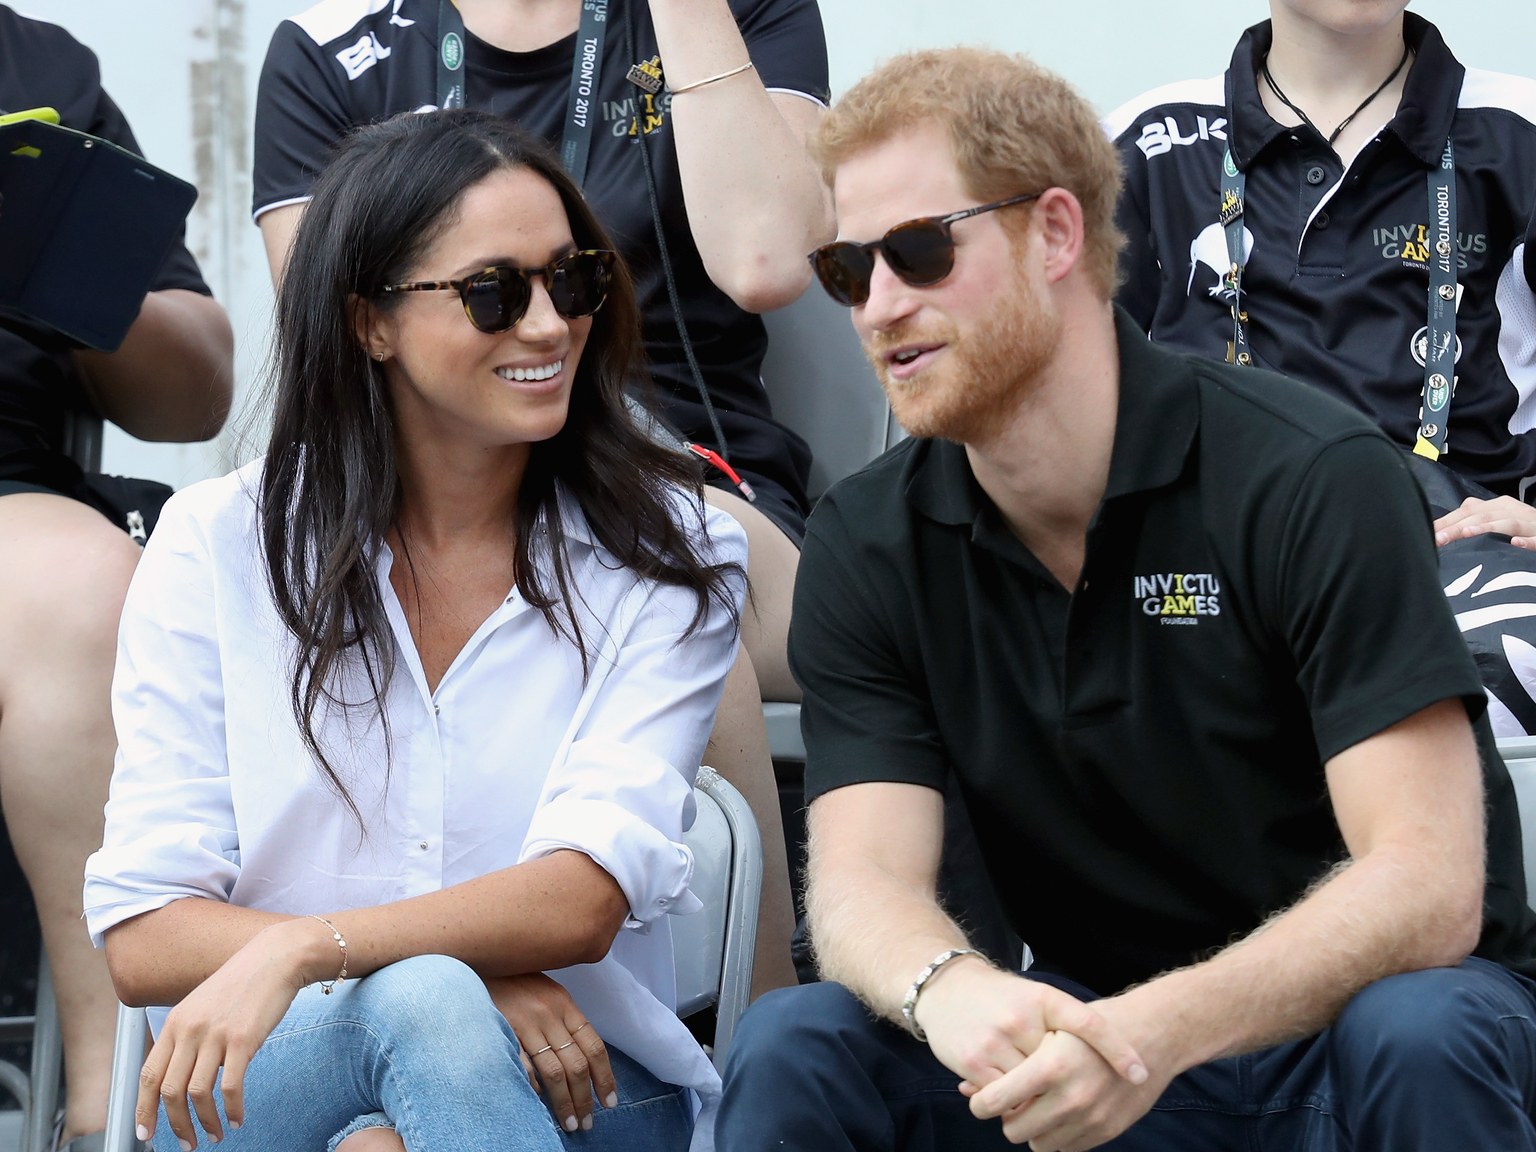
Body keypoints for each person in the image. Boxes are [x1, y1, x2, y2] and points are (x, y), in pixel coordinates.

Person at [715, 47, 1536, 1151]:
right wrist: (945, 987)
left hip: (1345, 1054)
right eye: (848, 271)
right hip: (1093, 1052)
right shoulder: (869, 541)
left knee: (1425, 1026)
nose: (880, 308)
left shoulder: (1312, 475)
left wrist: (1153, 1030)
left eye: (917, 253)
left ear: (1056, 233)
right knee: (800, 1041)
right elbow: (864, 877)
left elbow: (1428, 887)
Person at [83, 108, 745, 1152]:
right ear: (370, 323)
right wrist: (449, 980)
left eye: (571, 281)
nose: (546, 325)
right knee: (427, 1007)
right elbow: (144, 929)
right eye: (493, 293)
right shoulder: (215, 546)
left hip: (583, 1086)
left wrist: (324, 952)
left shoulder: (672, 553)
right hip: (270, 1087)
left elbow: (581, 900)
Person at [251, 0, 834, 991]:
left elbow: (770, 258)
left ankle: (761, 1043)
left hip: (698, 478)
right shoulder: (332, 45)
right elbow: (340, 346)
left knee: (670, 562)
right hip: (436, 489)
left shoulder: (738, 10)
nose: (539, 317)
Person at [0, 9, 234, 1149]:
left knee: (97, 585)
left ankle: (109, 1112)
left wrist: (63, 269)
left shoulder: (39, 71)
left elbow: (195, 397)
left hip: (9, 509)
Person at [1106, 1, 1536, 547]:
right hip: (1216, 559)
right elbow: (1060, 400)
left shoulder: (1521, 130)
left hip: (1462, 565)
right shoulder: (1144, 142)